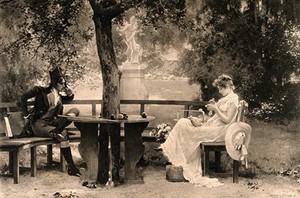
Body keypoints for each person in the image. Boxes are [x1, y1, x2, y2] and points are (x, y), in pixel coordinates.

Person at [159, 74, 239, 188]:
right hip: (215, 127)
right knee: (184, 122)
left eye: (221, 88)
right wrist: (208, 114)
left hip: (221, 131)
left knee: (185, 126)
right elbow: (215, 118)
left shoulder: (233, 100)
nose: (220, 91)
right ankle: (176, 153)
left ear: (227, 86)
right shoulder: (225, 99)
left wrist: (216, 108)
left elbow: (227, 120)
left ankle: (175, 154)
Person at [20, 66, 81, 177]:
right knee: (63, 134)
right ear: (54, 83)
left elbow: (69, 99)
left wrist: (70, 94)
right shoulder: (41, 91)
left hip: (52, 123)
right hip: (39, 124)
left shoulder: (59, 96)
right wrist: (26, 115)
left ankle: (57, 130)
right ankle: (72, 167)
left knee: (75, 110)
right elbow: (23, 98)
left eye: (65, 83)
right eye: (62, 83)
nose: (64, 86)